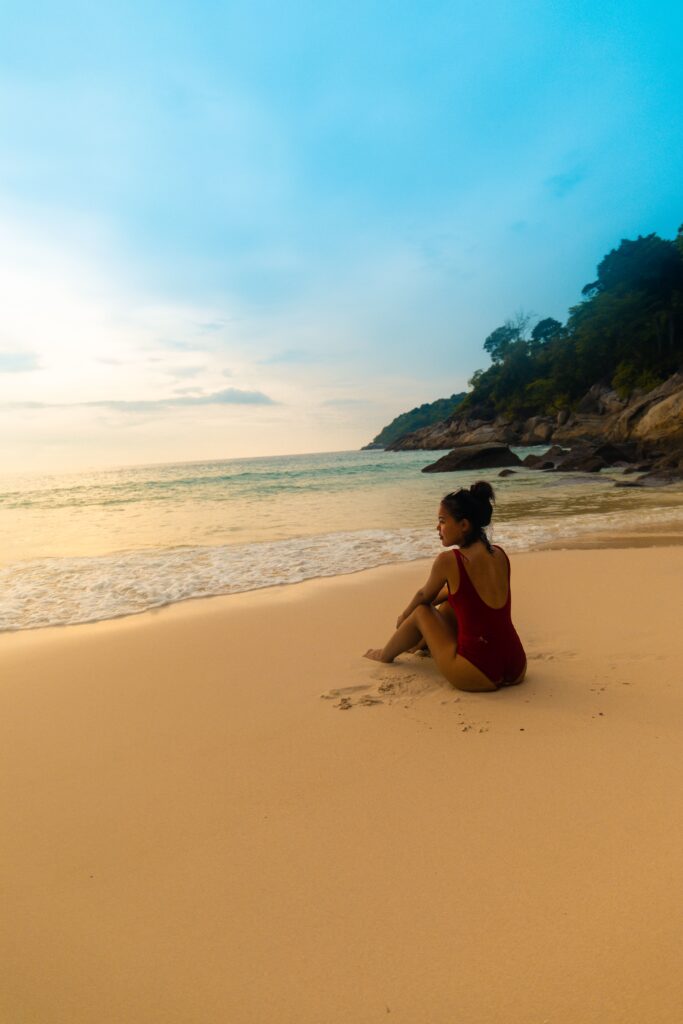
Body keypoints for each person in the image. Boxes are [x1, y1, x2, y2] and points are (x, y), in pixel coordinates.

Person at [364, 481, 526, 692]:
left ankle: (385, 654)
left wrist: (404, 617)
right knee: (450, 604)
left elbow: (423, 595)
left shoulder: (450, 560)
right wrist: (442, 599)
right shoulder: (499, 554)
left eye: (442, 521)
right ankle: (420, 645)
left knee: (421, 612)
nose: (437, 528)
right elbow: (464, 593)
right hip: (516, 665)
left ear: (464, 525)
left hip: (477, 670)